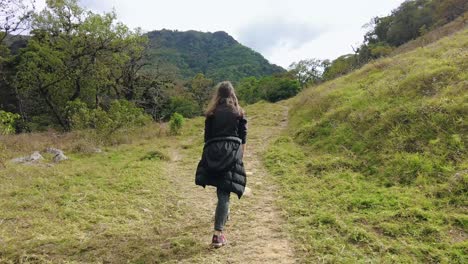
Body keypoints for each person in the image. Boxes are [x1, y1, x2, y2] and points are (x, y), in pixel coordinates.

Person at [195, 81, 247, 248]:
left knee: (221, 191)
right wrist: (240, 156)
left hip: (213, 151)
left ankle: (223, 215)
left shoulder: (211, 113)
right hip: (232, 151)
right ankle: (218, 235)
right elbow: (243, 137)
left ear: (218, 94)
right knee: (224, 193)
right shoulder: (238, 112)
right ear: (232, 94)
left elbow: (207, 138)